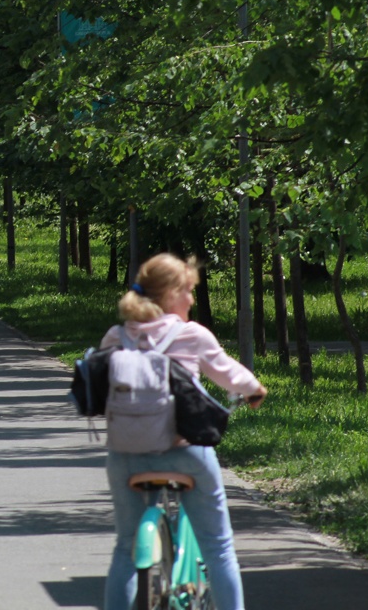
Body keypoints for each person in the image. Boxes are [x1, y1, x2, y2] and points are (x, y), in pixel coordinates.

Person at [101, 253, 267, 610]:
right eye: (189, 290)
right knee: (219, 548)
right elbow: (229, 373)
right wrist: (255, 390)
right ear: (172, 293)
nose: (192, 299)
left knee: (125, 546)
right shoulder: (192, 335)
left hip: (125, 455)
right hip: (185, 453)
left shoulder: (116, 336)